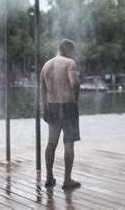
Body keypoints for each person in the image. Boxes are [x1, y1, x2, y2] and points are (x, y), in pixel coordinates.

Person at [41, 39, 81, 190]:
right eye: (73, 52)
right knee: (68, 143)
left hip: (52, 106)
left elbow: (42, 90)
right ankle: (67, 180)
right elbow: (75, 84)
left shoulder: (46, 65)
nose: (74, 55)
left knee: (51, 143)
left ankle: (49, 177)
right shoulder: (69, 63)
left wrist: (44, 108)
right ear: (69, 50)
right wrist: (76, 100)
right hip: (68, 106)